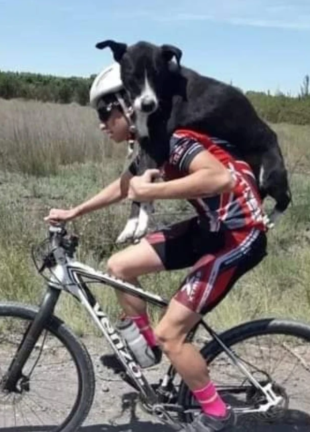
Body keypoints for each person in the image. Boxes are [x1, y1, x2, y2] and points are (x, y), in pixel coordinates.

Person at [45, 62, 268, 432]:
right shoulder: (154, 143)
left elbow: (221, 178)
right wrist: (74, 212)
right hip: (210, 228)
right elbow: (125, 186)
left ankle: (216, 414)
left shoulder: (178, 140)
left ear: (129, 106)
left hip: (239, 235)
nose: (102, 123)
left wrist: (152, 191)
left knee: (172, 334)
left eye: (105, 111)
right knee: (119, 267)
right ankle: (146, 349)